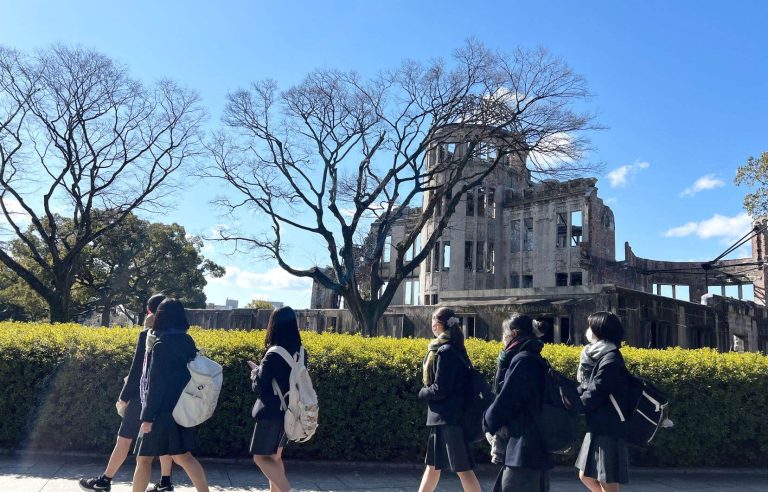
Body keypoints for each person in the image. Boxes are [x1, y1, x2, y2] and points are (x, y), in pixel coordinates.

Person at [79, 294, 175, 492]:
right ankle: (166, 482)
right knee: (162, 440)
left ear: (150, 311)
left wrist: (123, 397)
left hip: (142, 397)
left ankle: (104, 480)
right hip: (167, 399)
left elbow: (137, 371)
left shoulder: (147, 334)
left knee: (124, 439)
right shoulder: (175, 336)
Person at [132, 298, 209, 492]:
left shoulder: (161, 344)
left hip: (162, 413)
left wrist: (147, 417)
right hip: (183, 407)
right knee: (184, 457)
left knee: (143, 459)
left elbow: (157, 385)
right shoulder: (187, 341)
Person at [483, 313, 552, 492]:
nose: (502, 339)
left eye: (504, 334)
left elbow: (507, 398)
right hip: (530, 444)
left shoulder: (523, 360)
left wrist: (486, 421)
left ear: (513, 334)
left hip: (525, 445)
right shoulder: (531, 357)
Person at [417, 307, 481, 492]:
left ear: (437, 325)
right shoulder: (456, 348)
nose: (432, 327)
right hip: (446, 418)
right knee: (432, 467)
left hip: (448, 419)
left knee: (463, 469)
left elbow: (441, 388)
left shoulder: (445, 352)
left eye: (432, 323)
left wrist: (423, 392)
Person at [248, 306, 305, 492]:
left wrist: (255, 373)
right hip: (291, 410)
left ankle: (287, 490)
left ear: (273, 325)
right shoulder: (301, 353)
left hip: (271, 411)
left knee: (260, 457)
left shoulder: (273, 353)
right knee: (275, 457)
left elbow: (259, 385)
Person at [575, 312, 632, 492]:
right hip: (599, 425)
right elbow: (588, 386)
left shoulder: (611, 358)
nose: (588, 331)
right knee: (586, 475)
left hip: (609, 426)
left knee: (606, 479)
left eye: (591, 327)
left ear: (601, 330)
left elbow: (597, 390)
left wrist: (575, 406)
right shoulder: (600, 356)